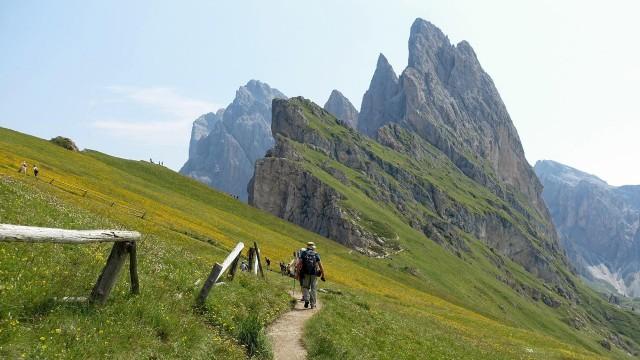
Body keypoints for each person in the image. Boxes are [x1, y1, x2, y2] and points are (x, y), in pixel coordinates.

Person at [298, 241, 325, 309]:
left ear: (307, 246)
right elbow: (320, 265)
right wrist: (323, 275)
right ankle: (313, 304)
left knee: (305, 287)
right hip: (314, 274)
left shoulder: (304, 253)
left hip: (305, 273)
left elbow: (299, 263)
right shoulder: (316, 254)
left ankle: (306, 299)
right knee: (313, 288)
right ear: (313, 247)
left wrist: (298, 271)